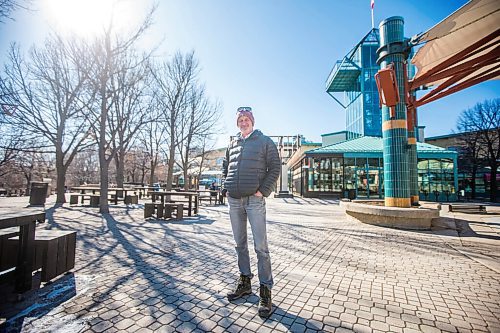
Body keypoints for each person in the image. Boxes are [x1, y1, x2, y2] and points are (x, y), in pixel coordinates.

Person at [222, 106, 281, 317]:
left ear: (252, 121)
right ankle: (245, 281)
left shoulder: (264, 142)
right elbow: (225, 167)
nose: (244, 122)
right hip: (234, 201)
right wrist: (225, 187)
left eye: (247, 119)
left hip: (254, 201)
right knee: (239, 244)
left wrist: (262, 191)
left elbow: (275, 167)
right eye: (240, 119)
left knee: (261, 247)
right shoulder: (232, 143)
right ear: (237, 122)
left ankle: (265, 289)